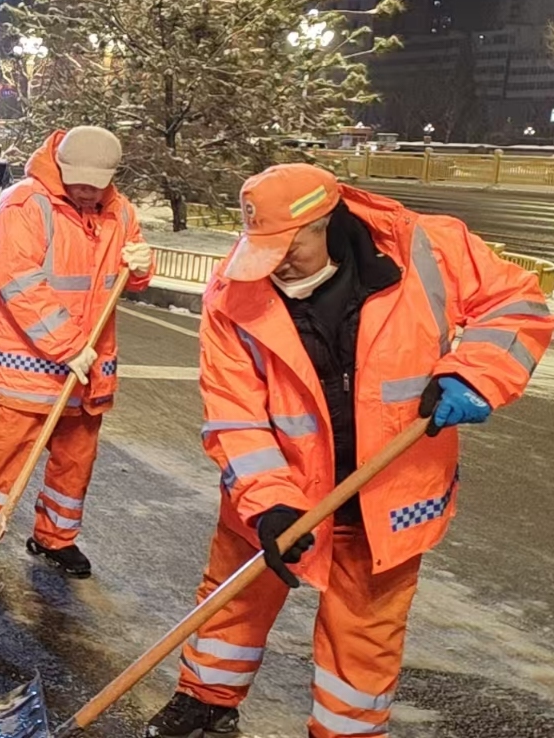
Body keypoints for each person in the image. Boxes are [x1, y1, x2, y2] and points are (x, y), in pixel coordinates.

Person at [143, 163, 553, 738]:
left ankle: (347, 731)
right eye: (266, 248)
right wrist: (270, 505)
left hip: (388, 495)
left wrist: (478, 372)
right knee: (234, 601)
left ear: (330, 225)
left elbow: (518, 304)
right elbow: (234, 414)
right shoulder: (235, 294)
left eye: (291, 246)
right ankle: (205, 700)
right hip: (278, 489)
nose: (277, 262)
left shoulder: (428, 248)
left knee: (365, 631)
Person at [0, 126, 153, 581]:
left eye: (95, 184)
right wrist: (69, 346)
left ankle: (56, 537)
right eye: (77, 180)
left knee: (75, 460)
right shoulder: (26, 204)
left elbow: (128, 283)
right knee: (5, 457)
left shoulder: (121, 213)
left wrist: (141, 266)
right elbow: (19, 283)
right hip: (31, 368)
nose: (85, 191)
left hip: (88, 372)